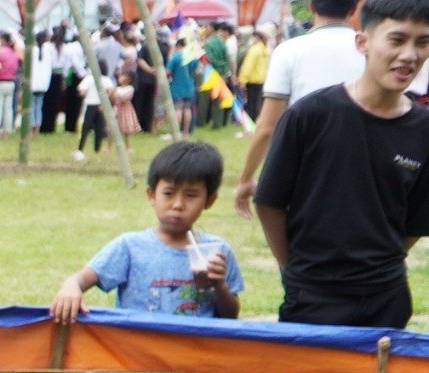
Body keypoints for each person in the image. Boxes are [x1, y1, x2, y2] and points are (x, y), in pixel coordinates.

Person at [253, 0, 429, 328]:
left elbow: (416, 223)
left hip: (386, 299)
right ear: (363, 42)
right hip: (312, 297)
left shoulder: (423, 129)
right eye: (397, 39)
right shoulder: (310, 115)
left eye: (422, 42)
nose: (410, 54)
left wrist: (378, 266)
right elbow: (269, 202)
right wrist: (293, 271)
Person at [51, 139, 242, 321]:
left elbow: (230, 316)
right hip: (137, 352)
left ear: (209, 200)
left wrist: (219, 285)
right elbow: (83, 278)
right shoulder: (130, 247)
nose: (178, 204)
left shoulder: (217, 252)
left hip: (195, 353)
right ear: (152, 195)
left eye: (191, 195)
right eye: (168, 193)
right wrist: (71, 286)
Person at [234, 0, 362, 217]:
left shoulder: (289, 51)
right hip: (360, 160)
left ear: (312, 7)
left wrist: (246, 179)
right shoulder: (370, 50)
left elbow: (267, 127)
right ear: (353, 9)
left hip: (307, 164)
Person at [0, 31, 20, 135]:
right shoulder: (14, 53)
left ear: (2, 40)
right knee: (8, 109)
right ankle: (7, 131)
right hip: (10, 82)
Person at [239, 24, 271, 119]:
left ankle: (249, 119)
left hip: (252, 79)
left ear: (256, 37)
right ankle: (254, 118)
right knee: (257, 102)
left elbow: (248, 66)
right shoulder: (264, 49)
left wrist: (243, 80)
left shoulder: (254, 50)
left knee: (250, 101)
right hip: (261, 79)